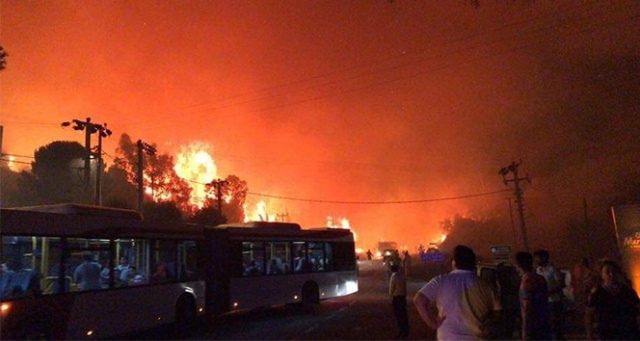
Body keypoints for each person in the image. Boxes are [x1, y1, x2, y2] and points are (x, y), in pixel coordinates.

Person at [414, 245, 502, 340]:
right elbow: (498, 312)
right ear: (473, 263)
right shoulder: (486, 285)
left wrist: (432, 323)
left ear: (454, 262)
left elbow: (419, 300)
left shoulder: (441, 280)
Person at [585, 260, 640, 340]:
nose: (611, 274)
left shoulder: (628, 292)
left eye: (614, 272)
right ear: (602, 275)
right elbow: (589, 315)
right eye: (607, 272)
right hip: (607, 333)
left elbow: (637, 310)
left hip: (628, 333)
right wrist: (589, 335)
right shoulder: (597, 294)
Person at [515, 251, 552, 340]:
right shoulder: (541, 278)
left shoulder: (526, 282)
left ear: (519, 265)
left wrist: (524, 329)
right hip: (544, 320)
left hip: (533, 324)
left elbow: (526, 307)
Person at [534, 249, 565, 340]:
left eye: (537, 258)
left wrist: (550, 292)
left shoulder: (552, 269)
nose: (536, 260)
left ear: (544, 258)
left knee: (555, 324)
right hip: (543, 301)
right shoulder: (538, 270)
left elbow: (561, 283)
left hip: (553, 300)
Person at [389, 264, 409, 338]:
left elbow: (391, 288)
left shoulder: (393, 276)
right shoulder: (402, 276)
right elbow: (405, 287)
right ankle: (406, 331)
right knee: (404, 315)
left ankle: (401, 332)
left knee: (399, 316)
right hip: (403, 297)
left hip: (397, 297)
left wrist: (390, 298)